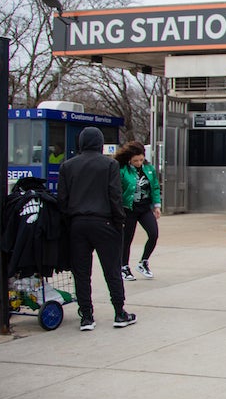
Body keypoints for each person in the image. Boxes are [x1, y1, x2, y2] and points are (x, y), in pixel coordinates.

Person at [57, 126, 135, 330]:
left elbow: (62, 200)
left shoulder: (67, 166)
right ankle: (119, 312)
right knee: (112, 270)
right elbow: (115, 195)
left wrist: (70, 223)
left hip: (77, 224)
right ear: (100, 143)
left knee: (81, 273)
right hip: (105, 222)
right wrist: (119, 222)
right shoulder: (109, 165)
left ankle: (86, 316)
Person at [115, 141, 162, 281]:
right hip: (128, 209)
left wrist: (157, 205)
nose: (139, 163)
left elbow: (154, 186)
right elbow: (117, 190)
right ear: (129, 159)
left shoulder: (148, 169)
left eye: (141, 159)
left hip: (144, 207)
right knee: (127, 239)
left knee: (153, 234)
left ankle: (144, 262)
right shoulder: (122, 170)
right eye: (135, 160)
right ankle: (124, 266)